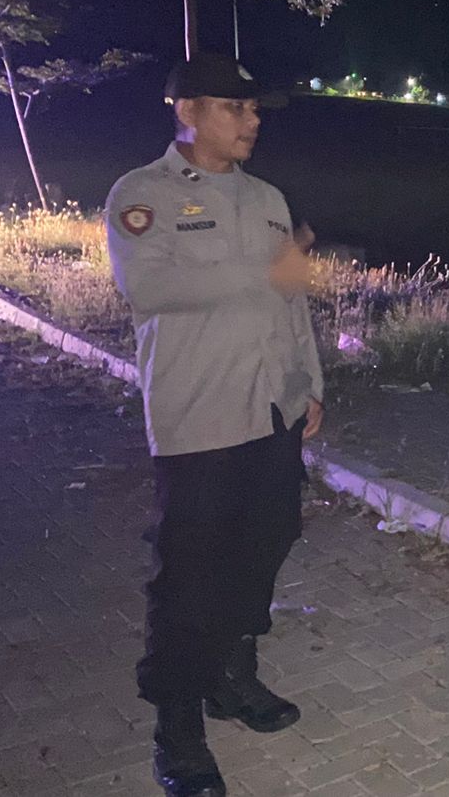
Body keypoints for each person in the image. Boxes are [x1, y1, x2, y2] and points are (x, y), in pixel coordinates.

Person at [106, 53, 325, 797]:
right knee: (190, 571)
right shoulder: (144, 193)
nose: (252, 120)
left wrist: (309, 384)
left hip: (272, 408)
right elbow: (148, 284)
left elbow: (293, 301)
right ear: (188, 110)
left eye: (255, 109)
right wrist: (263, 275)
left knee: (266, 540)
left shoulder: (267, 197)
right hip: (199, 413)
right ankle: (177, 725)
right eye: (237, 107)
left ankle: (232, 677)